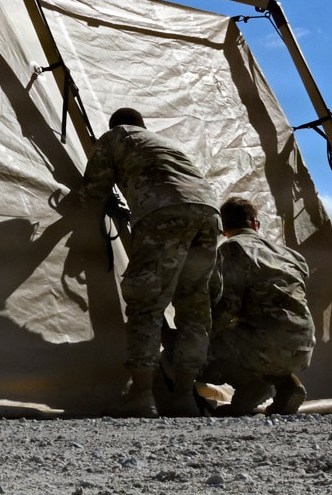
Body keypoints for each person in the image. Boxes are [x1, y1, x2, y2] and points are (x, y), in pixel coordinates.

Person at [81, 106, 221, 417]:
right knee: (194, 306)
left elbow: (94, 189)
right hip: (208, 213)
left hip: (163, 211)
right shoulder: (164, 144)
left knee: (146, 302)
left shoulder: (116, 136)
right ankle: (185, 394)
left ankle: (142, 394)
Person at [203, 196, 314, 416]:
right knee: (257, 336)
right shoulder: (292, 255)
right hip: (304, 343)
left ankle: (249, 386)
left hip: (267, 343)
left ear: (223, 228)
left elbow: (228, 308)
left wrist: (198, 336)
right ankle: (287, 387)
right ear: (255, 223)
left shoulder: (232, 249)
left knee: (209, 344)